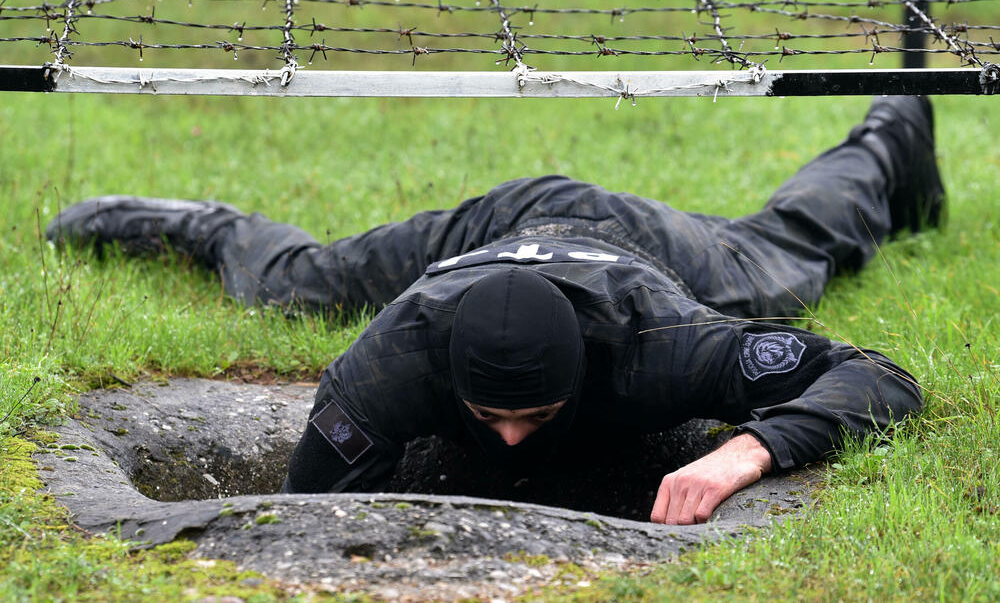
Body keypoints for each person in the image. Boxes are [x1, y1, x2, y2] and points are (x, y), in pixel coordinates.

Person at [46, 96, 941, 525]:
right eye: (491, 416)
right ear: (447, 378)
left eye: (537, 414)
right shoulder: (388, 362)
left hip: (638, 246)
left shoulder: (662, 344)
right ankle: (190, 221)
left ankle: (889, 130)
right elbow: (298, 523)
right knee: (299, 281)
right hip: (490, 229)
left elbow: (881, 376)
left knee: (791, 255)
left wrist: (747, 449)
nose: (512, 440)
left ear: (587, 380)